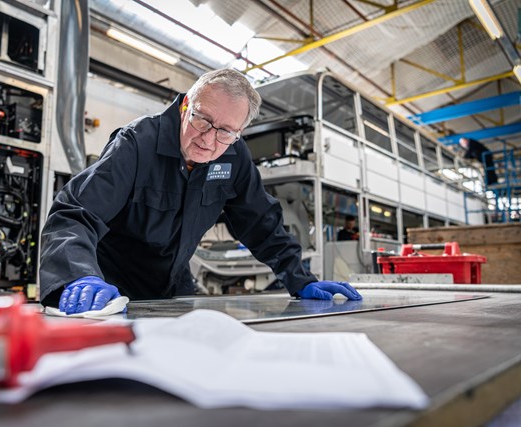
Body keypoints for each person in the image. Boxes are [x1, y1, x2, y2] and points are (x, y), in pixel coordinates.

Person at [40, 68, 362, 314]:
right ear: (185, 108)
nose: (208, 140)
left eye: (225, 132)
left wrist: (300, 278)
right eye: (202, 120)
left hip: (175, 287)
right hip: (109, 289)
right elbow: (76, 214)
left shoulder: (234, 157)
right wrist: (79, 276)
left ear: (239, 132)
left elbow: (261, 223)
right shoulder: (137, 143)